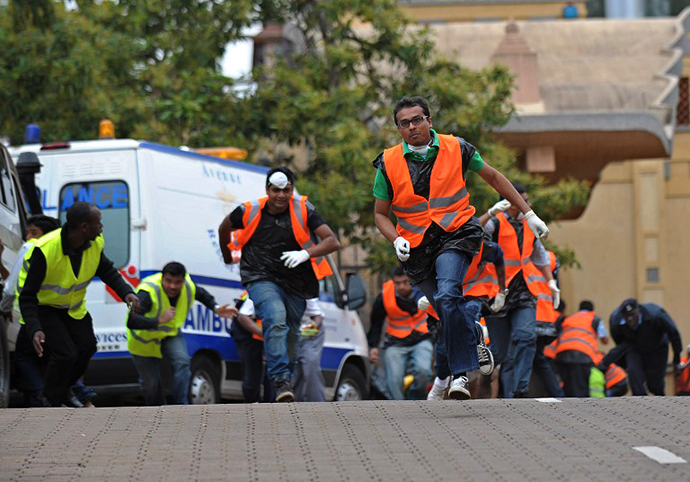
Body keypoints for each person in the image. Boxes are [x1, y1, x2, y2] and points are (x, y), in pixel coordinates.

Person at [373, 95, 550, 400]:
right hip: (415, 247)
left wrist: (529, 213)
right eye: (405, 123)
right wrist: (396, 238)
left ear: (430, 121)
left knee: (448, 293)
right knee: (446, 310)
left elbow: (493, 176)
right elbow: (379, 214)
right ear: (398, 128)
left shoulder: (457, 147)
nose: (412, 127)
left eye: (417, 120)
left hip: (455, 233)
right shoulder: (388, 162)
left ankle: (460, 377)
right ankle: (471, 339)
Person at [218, 167, 340, 402]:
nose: (281, 196)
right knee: (275, 316)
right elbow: (224, 228)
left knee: (293, 331)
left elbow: (332, 241)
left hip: (296, 280)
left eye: (287, 190)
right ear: (267, 190)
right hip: (259, 275)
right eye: (276, 190)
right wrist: (226, 255)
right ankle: (280, 379)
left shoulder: (304, 209)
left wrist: (306, 254)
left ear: (292, 189)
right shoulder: (249, 210)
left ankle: (286, 383)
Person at [18, 202, 140, 407]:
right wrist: (34, 329)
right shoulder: (45, 250)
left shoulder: (95, 243)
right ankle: (49, 397)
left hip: (73, 309)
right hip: (45, 309)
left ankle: (63, 390)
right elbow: (27, 296)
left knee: (87, 347)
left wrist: (126, 292)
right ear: (84, 227)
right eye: (98, 223)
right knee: (66, 354)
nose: (101, 227)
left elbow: (106, 270)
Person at [4, 215, 98, 407]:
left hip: (31, 318)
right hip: (55, 316)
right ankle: (81, 398)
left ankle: (45, 397)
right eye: (28, 233)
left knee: (26, 356)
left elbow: (10, 287)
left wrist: (3, 308)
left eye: (34, 232)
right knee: (59, 358)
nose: (29, 237)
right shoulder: (63, 251)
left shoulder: (32, 248)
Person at [480, 183, 560, 398]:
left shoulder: (528, 225)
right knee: (499, 352)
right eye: (524, 200)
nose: (529, 205)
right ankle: (485, 374)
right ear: (511, 203)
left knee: (526, 337)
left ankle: (520, 390)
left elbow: (540, 255)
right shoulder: (495, 222)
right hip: (497, 293)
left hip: (524, 291)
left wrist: (551, 282)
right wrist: (489, 213)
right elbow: (472, 235)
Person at [126, 262, 236, 405]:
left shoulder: (188, 287)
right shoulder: (148, 291)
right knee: (151, 385)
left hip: (169, 335)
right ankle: (157, 412)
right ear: (162, 278)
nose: (173, 286)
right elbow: (132, 321)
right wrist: (159, 320)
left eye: (177, 282)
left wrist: (215, 308)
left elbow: (202, 294)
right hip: (143, 340)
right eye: (169, 281)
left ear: (183, 281)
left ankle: (180, 407)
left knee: (183, 362)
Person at [423, 237, 507, 400]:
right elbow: (422, 273)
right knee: (442, 347)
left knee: (469, 314)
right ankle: (441, 381)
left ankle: (462, 374)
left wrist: (502, 292)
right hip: (448, 294)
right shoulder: (435, 245)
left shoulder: (483, 246)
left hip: (475, 289)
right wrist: (425, 294)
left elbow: (499, 258)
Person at [368, 267, 432, 400]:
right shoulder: (385, 295)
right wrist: (374, 347)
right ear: (393, 282)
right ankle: (400, 406)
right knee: (394, 381)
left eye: (405, 282)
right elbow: (376, 322)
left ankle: (416, 398)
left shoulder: (423, 290)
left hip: (421, 339)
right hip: (395, 343)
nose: (402, 286)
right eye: (397, 283)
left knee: (423, 372)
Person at [603, 298, 682, 396]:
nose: (630, 319)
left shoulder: (656, 316)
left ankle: (660, 400)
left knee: (654, 385)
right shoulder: (616, 321)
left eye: (632, 315)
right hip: (634, 347)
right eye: (627, 316)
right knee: (633, 372)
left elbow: (673, 333)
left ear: (638, 311)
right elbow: (618, 341)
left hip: (657, 348)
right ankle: (639, 401)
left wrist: (676, 359)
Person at [555, 300, 608, 397]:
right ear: (592, 310)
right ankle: (580, 411)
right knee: (581, 389)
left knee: (568, 389)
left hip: (562, 354)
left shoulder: (569, 318)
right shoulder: (595, 319)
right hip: (582, 356)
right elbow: (605, 340)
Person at [531, 251, 564, 398]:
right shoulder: (552, 258)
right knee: (539, 359)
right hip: (546, 317)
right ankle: (558, 394)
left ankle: (514, 395)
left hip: (527, 316)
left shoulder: (520, 254)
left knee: (517, 357)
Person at [231, 291, 274, 403]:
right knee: (252, 371)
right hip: (247, 333)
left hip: (263, 334)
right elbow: (243, 317)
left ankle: (270, 403)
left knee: (271, 372)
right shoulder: (260, 291)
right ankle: (253, 404)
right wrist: (265, 334)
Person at [293, 299, 327, 402]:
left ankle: (317, 405)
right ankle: (293, 405)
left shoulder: (303, 287)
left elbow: (317, 316)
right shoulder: (269, 290)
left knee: (310, 362)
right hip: (288, 334)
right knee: (295, 372)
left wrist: (308, 332)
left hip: (307, 333)